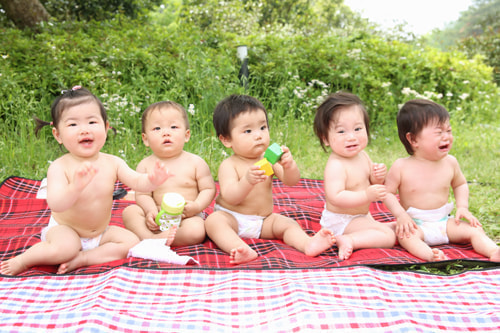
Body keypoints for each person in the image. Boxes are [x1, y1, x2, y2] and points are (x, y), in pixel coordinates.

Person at [0, 86, 171, 276]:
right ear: (58, 135)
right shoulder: (60, 167)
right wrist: (75, 187)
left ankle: (83, 259)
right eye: (73, 125)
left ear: (106, 127)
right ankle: (23, 260)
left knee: (130, 241)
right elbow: (56, 204)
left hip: (99, 232)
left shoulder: (113, 162)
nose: (84, 130)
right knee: (66, 248)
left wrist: (153, 180)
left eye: (91, 121)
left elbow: (138, 182)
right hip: (66, 230)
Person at [205, 94, 335, 264]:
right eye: (248, 131)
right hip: (233, 217)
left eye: (262, 128)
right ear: (227, 139)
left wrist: (289, 165)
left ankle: (308, 244)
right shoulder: (230, 165)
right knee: (213, 222)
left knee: (287, 223)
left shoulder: (268, 160)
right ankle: (239, 248)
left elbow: (292, 181)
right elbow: (230, 196)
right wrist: (247, 181)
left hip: (264, 220)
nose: (258, 135)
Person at [384, 99, 500, 262]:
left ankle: (493, 251)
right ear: (413, 140)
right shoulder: (401, 166)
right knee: (406, 237)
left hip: (445, 221)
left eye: (449, 130)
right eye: (439, 132)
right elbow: (387, 193)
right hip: (416, 224)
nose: (446, 137)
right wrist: (401, 215)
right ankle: (432, 256)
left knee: (475, 230)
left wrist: (462, 207)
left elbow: (460, 184)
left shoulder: (450, 162)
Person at [313, 92, 396, 260]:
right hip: (341, 221)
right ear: (326, 139)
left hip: (361, 216)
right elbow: (336, 197)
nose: (351, 137)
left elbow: (372, 181)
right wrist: (366, 195)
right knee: (389, 237)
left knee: (395, 227)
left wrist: (378, 176)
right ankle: (347, 239)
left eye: (358, 129)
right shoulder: (336, 165)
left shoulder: (363, 155)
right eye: (341, 131)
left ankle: (369, 231)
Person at [122, 101, 216, 246]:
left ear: (187, 135)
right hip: (157, 217)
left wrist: (196, 206)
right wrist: (150, 211)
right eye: (157, 128)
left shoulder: (196, 163)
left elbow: (208, 189)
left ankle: (168, 239)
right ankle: (148, 237)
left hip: (186, 217)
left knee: (197, 230)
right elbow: (142, 194)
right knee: (130, 212)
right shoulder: (145, 165)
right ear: (145, 139)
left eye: (173, 127)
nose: (166, 132)